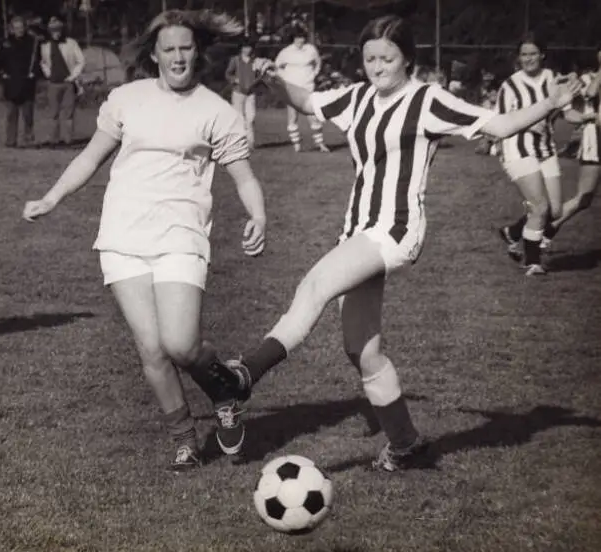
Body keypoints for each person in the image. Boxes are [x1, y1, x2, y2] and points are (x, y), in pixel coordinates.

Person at [213, 15, 581, 470]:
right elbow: (308, 101)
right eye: (369, 58)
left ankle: (244, 375)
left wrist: (553, 102)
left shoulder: (427, 99)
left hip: (395, 229)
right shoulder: (357, 97)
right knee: (363, 352)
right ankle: (406, 445)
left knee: (315, 284)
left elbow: (500, 126)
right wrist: (273, 79)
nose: (377, 66)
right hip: (358, 228)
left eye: (387, 57)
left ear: (407, 58)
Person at [22, 10, 267, 471]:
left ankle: (226, 387)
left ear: (198, 52)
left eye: (186, 48)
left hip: (181, 233)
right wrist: (51, 198)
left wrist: (258, 214)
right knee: (151, 348)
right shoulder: (125, 99)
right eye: (169, 48)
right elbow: (91, 156)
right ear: (153, 54)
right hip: (121, 235)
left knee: (180, 344)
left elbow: (244, 175)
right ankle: (185, 441)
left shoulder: (216, 110)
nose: (178, 56)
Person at [495, 34, 578, 275]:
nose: (528, 59)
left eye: (533, 54)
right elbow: (501, 121)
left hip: (545, 149)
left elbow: (568, 113)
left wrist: (589, 118)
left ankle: (513, 233)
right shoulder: (509, 86)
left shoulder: (552, 78)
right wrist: (529, 123)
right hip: (517, 149)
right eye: (524, 54)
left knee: (555, 210)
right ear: (518, 58)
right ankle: (533, 262)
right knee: (540, 207)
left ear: (542, 55)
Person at [540, 48, 601, 241]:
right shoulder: (587, 78)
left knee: (585, 199)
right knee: (584, 196)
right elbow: (591, 93)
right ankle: (535, 229)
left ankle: (547, 228)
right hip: (596, 141)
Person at [275, 25, 329, 153]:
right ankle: (297, 145)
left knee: (313, 116)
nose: (300, 41)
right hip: (292, 89)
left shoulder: (310, 49)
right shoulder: (286, 52)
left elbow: (318, 63)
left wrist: (314, 74)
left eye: (302, 38)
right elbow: (277, 67)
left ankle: (320, 144)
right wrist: (285, 79)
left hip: (308, 87)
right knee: (292, 116)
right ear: (293, 39)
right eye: (297, 38)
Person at [0, 16, 39, 148]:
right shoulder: (6, 44)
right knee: (11, 114)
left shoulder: (33, 43)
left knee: (28, 114)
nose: (19, 30)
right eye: (16, 28)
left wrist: (34, 73)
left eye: (21, 27)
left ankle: (28, 139)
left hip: (27, 83)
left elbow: (38, 61)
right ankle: (11, 140)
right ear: (12, 29)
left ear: (25, 28)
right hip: (11, 84)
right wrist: (3, 74)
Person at [39, 16, 85, 147]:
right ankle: (54, 140)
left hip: (68, 83)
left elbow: (81, 61)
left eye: (58, 29)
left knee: (68, 113)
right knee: (53, 113)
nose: (56, 32)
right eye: (53, 30)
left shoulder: (71, 43)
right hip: (53, 83)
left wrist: (73, 76)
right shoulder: (45, 46)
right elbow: (42, 62)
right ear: (49, 31)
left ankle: (68, 140)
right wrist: (48, 74)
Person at [225, 39, 260, 149]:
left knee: (251, 117)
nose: (247, 50)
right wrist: (234, 79)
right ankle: (239, 142)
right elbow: (228, 73)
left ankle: (250, 142)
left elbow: (259, 74)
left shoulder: (255, 61)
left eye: (249, 47)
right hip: (238, 92)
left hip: (250, 93)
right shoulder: (235, 60)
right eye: (245, 47)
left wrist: (256, 81)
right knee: (239, 118)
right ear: (241, 48)